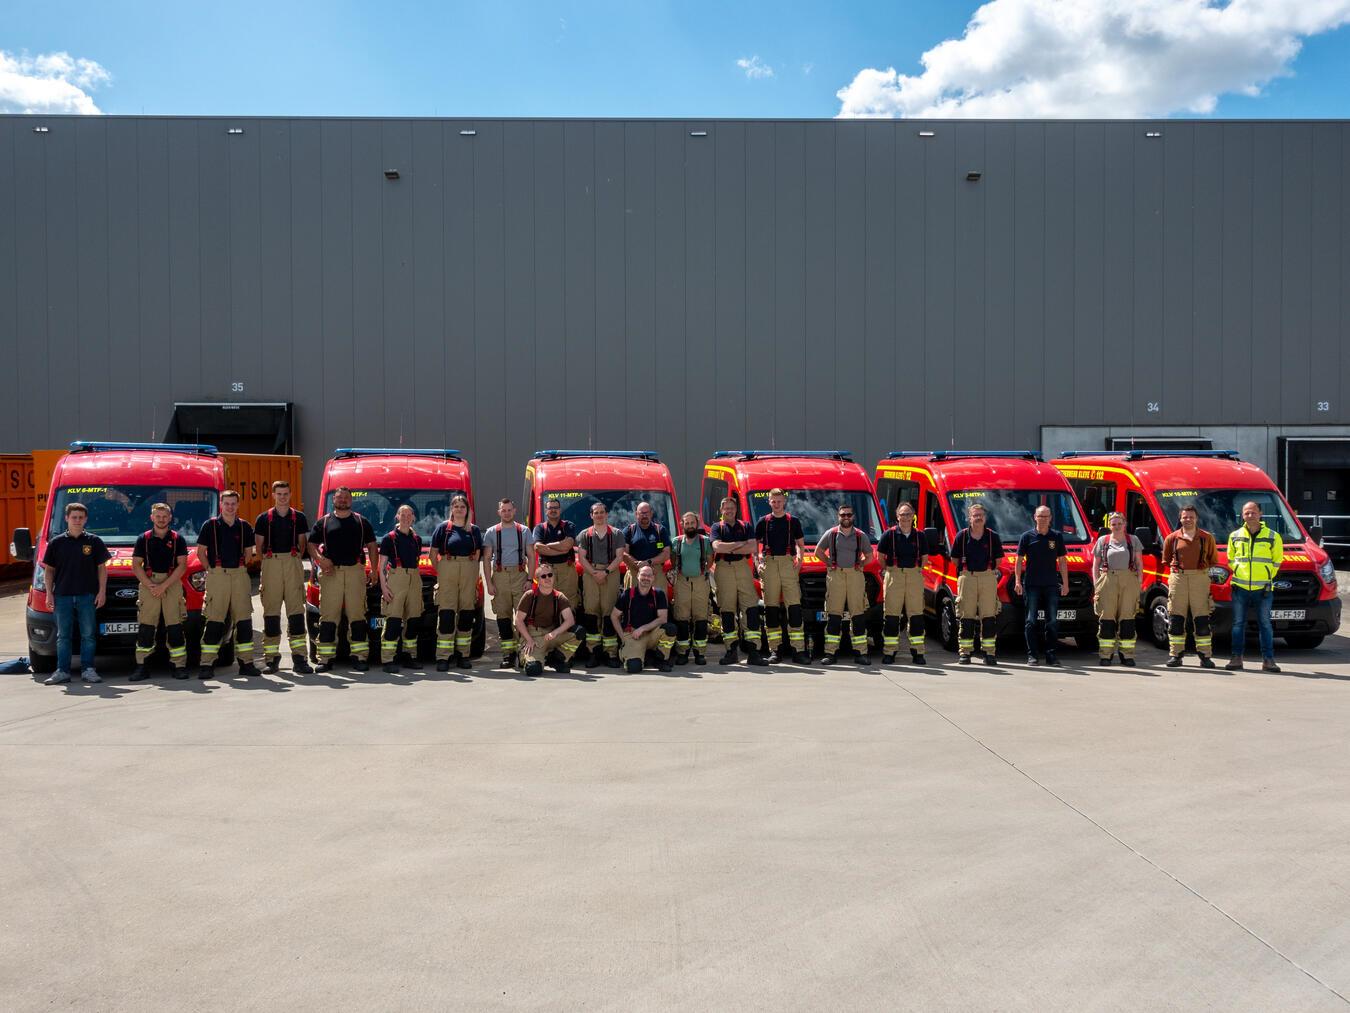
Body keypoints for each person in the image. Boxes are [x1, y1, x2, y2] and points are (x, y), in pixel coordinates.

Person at [308, 487, 379, 673]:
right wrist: (321, 561)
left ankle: (360, 657)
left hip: (355, 572)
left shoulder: (361, 522)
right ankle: (325, 659)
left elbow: (372, 546)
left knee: (357, 616)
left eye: (346, 498)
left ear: (351, 501)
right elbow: (311, 545)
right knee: (328, 617)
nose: (343, 500)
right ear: (334, 501)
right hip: (331, 574)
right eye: (339, 498)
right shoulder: (324, 522)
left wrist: (374, 570)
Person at [41, 502, 110, 685]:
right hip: (62, 596)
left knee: (88, 635)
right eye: (74, 517)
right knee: (63, 636)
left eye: (81, 517)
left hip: (87, 595)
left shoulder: (94, 542)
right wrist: (49, 593)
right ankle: (62, 671)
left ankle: (88, 670)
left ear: (86, 519)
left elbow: (102, 569)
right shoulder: (56, 543)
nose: (77, 520)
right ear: (66, 519)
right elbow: (49, 571)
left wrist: (102, 592)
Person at [195, 490, 259, 679]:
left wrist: (238, 570)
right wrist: (211, 571)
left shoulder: (245, 527)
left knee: (244, 621)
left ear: (238, 505)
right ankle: (207, 664)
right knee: (214, 621)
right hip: (218, 575)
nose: (230, 507)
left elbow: (249, 554)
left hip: (239, 574)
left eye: (233, 504)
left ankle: (246, 663)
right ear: (221, 505)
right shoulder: (210, 525)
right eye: (227, 503)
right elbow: (201, 553)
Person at [254, 480, 312, 675]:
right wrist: (269, 566)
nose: (283, 497)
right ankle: (271, 659)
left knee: (296, 613)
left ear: (290, 494)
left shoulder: (300, 518)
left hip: (293, 563)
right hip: (271, 564)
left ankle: (300, 658)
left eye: (286, 493)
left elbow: (302, 545)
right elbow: (259, 547)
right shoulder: (263, 519)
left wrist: (292, 560)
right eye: (279, 494)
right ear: (273, 495)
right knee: (271, 613)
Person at [130, 502, 189, 681]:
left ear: (170, 517)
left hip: (171, 583)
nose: (161, 519)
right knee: (146, 627)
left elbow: (182, 565)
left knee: (175, 626)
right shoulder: (143, 539)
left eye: (165, 516)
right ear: (152, 517)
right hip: (149, 584)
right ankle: (142, 666)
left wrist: (163, 586)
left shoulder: (178, 539)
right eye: (158, 516)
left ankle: (178, 666)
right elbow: (136, 565)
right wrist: (150, 585)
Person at [1226, 501, 1283, 673]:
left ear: (1260, 514)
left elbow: (1277, 561)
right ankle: (1236, 658)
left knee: (1265, 624)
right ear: (1242, 515)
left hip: (1263, 589)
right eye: (1246, 513)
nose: (1250, 515)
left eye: (1253, 512)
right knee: (1238, 624)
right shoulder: (1234, 535)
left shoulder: (1273, 536)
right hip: (1240, 588)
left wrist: (1266, 576)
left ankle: (1268, 660)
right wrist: (1237, 570)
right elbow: (1230, 559)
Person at [1161, 504, 1218, 669]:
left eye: (1191, 517)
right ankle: (1175, 655)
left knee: (1202, 620)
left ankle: (1205, 656)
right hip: (1178, 578)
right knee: (1176, 619)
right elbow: (1166, 559)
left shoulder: (1207, 538)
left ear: (1197, 518)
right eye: (1185, 517)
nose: (1188, 520)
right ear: (1180, 519)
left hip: (1200, 578)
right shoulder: (1172, 538)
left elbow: (1213, 559)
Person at [816, 503, 874, 666]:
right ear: (838, 516)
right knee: (834, 615)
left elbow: (869, 555)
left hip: (855, 575)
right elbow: (818, 552)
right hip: (836, 576)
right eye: (843, 515)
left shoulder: (860, 535)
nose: (846, 517)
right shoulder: (831, 534)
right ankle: (830, 653)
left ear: (853, 516)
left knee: (858, 615)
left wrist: (861, 564)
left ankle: (861, 653)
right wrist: (829, 562)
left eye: (849, 515)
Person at [429, 494, 481, 671]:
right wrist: (443, 571)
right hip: (447, 568)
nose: (459, 509)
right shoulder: (443, 528)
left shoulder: (473, 530)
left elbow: (478, 554)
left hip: (468, 569)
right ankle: (443, 657)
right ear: (451, 509)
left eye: (462, 507)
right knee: (446, 614)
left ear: (468, 510)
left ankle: (463, 655)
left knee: (466, 613)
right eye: (456, 506)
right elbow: (432, 554)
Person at [481, 498, 535, 669]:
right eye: (503, 510)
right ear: (499, 512)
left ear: (514, 510)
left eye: (509, 510)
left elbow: (532, 557)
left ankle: (525, 654)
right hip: (500, 576)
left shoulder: (524, 531)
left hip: (520, 576)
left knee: (523, 617)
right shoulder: (491, 532)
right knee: (503, 618)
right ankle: (508, 654)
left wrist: (529, 580)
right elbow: (487, 559)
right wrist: (489, 584)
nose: (506, 513)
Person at [710, 497, 764, 666]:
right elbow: (717, 547)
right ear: (721, 511)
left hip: (743, 568)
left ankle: (754, 651)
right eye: (726, 508)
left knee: (751, 609)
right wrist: (740, 545)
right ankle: (731, 651)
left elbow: (752, 547)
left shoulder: (745, 526)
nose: (729, 511)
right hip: (723, 568)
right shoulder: (716, 527)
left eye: (732, 508)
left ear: (736, 509)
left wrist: (730, 546)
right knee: (727, 611)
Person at [754, 488, 806, 663]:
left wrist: (799, 560)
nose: (776, 504)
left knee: (795, 608)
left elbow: (800, 544)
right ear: (769, 502)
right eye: (773, 501)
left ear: (784, 501)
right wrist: (757, 563)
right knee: (771, 610)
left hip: (787, 564)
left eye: (779, 501)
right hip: (769, 565)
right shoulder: (763, 522)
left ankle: (798, 650)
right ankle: (775, 650)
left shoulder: (794, 521)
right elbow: (754, 545)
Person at [1015, 505, 1070, 667]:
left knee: (1052, 621)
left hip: (1051, 585)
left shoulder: (1057, 536)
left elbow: (1062, 561)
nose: (1043, 519)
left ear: (1051, 518)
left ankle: (1051, 655)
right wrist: (1018, 581)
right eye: (1041, 516)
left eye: (1046, 516)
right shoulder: (1027, 537)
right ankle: (1032, 656)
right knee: (1031, 621)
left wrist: (1065, 583)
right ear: (1035, 517)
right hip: (1032, 585)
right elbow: (1018, 561)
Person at [951, 501, 1003, 666]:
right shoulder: (962, 536)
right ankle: (965, 653)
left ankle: (989, 653)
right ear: (969, 518)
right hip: (967, 577)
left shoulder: (992, 536)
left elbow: (999, 560)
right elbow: (954, 559)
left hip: (988, 577)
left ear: (985, 518)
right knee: (966, 616)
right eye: (975, 515)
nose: (978, 518)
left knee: (989, 616)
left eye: (981, 515)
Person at [876, 501, 927, 665]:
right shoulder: (888, 535)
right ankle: (889, 652)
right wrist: (891, 571)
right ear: (897, 517)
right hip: (894, 575)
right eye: (902, 514)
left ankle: (918, 652)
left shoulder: (920, 536)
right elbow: (880, 558)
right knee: (891, 616)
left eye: (908, 514)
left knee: (916, 615)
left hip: (914, 576)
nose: (905, 517)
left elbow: (924, 559)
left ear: (913, 517)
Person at [1091, 513, 1145, 668]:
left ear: (1125, 524)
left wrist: (1138, 583)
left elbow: (1139, 563)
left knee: (1127, 618)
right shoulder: (1103, 541)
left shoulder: (1133, 540)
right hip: (1108, 580)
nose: (1116, 526)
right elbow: (1095, 565)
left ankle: (1127, 655)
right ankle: (1106, 655)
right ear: (1109, 525)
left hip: (1129, 580)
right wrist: (1097, 585)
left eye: (1119, 523)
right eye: (1113, 524)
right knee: (1107, 618)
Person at [378, 504, 426, 674]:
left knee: (413, 620)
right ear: (397, 517)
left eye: (409, 515)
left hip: (414, 579)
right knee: (393, 621)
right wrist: (384, 587)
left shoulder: (417, 539)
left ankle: (409, 656)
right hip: (396, 579)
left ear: (413, 517)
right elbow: (381, 565)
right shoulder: (388, 539)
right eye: (402, 515)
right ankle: (388, 659)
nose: (406, 518)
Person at [577, 502, 625, 669]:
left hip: (610, 573)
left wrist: (605, 573)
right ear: (591, 515)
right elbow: (581, 558)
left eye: (601, 512)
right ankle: (593, 653)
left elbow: (619, 557)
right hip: (590, 574)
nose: (599, 515)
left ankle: (611, 653)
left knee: (609, 612)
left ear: (607, 514)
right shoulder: (585, 534)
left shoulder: (617, 533)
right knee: (591, 612)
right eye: (595, 512)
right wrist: (594, 573)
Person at [514, 563, 582, 676]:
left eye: (550, 575)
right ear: (537, 580)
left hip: (551, 634)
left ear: (554, 577)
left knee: (579, 632)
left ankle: (557, 659)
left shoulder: (559, 597)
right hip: (534, 637)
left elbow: (570, 620)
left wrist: (555, 632)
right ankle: (527, 657)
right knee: (533, 670)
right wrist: (529, 640)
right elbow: (518, 621)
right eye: (543, 576)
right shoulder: (529, 596)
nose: (547, 578)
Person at [611, 563, 677, 673]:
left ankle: (661, 659)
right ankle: (637, 655)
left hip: (651, 634)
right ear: (637, 576)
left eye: (649, 575)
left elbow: (663, 619)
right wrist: (623, 637)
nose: (646, 578)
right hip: (633, 635)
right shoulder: (627, 594)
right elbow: (614, 616)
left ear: (653, 578)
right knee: (633, 668)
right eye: (643, 575)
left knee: (670, 629)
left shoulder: (659, 594)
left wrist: (643, 628)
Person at [670, 512, 713, 665]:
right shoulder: (676, 542)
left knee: (701, 618)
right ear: (682, 525)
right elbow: (673, 559)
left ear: (697, 523)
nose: (689, 526)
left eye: (692, 523)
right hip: (682, 582)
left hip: (701, 581)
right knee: (682, 618)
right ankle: (683, 653)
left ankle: (699, 653)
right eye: (686, 523)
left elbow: (709, 559)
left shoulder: (705, 541)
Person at [533, 497, 579, 607]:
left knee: (569, 600)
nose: (553, 510)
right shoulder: (539, 528)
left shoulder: (568, 525)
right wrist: (562, 550)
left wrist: (549, 545)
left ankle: (568, 623)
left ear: (560, 509)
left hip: (566, 569)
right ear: (546, 510)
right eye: (550, 508)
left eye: (556, 508)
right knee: (547, 599)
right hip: (547, 569)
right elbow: (538, 548)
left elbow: (568, 544)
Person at [623, 501, 671, 589]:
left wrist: (648, 562)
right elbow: (624, 553)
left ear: (651, 513)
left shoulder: (660, 530)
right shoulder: (629, 530)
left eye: (647, 512)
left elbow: (667, 553)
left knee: (658, 601)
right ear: (636, 514)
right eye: (641, 513)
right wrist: (638, 566)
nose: (644, 515)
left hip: (656, 573)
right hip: (635, 572)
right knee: (634, 602)